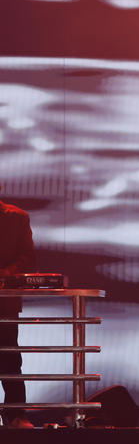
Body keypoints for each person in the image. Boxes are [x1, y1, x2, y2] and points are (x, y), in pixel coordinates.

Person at [0, 180, 35, 429]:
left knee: (10, 358)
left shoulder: (17, 217)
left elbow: (27, 257)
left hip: (5, 301)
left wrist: (4, 274)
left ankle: (14, 415)